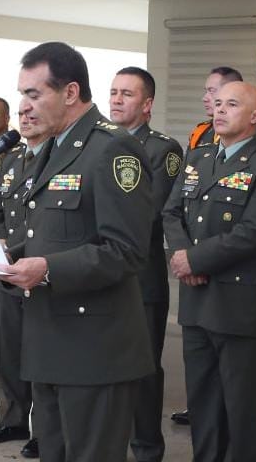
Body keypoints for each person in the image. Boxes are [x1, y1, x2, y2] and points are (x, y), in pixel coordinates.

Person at [0, 41, 154, 462]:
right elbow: (54, 233)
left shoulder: (111, 149)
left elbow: (126, 250)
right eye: (22, 93)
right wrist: (9, 260)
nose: (25, 105)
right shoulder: (55, 147)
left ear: (71, 92)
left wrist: (46, 269)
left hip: (93, 349)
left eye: (34, 93)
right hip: (49, 341)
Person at [163, 81, 256, 461]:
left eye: (232, 104)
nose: (219, 110)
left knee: (242, 411)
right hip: (196, 301)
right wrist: (183, 255)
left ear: (255, 116)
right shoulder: (197, 158)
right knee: (203, 407)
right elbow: (171, 212)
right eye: (217, 103)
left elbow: (254, 233)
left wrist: (195, 260)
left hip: (239, 308)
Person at [108, 66, 183, 462]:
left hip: (140, 277)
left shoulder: (161, 150)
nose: (117, 100)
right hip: (101, 275)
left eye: (127, 94)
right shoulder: (99, 144)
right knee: (106, 365)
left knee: (143, 367)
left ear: (148, 104)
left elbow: (150, 212)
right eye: (113, 92)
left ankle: (147, 448)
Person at [0, 109, 46, 457]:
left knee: (40, 356)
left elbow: (43, 219)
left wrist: (11, 249)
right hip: (8, 270)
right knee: (10, 352)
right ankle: (16, 417)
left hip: (37, 268)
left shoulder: (57, 157)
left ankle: (45, 431)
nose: (27, 118)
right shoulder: (13, 158)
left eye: (34, 112)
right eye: (23, 114)